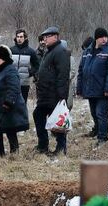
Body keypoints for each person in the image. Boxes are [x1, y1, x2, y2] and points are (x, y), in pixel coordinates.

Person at [77, 27, 108, 145]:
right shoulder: (87, 52)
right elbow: (81, 70)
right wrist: (79, 88)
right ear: (96, 38)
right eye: (101, 37)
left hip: (103, 90)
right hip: (90, 89)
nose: (104, 39)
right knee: (94, 113)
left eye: (106, 37)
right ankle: (97, 131)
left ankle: (102, 138)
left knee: (101, 113)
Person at [33, 26, 70, 156]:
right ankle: (42, 145)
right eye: (43, 37)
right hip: (45, 95)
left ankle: (61, 147)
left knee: (58, 122)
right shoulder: (49, 51)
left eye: (47, 37)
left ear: (55, 36)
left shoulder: (61, 51)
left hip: (54, 95)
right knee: (38, 115)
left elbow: (63, 75)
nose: (44, 40)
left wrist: (61, 96)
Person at [0, 45, 28, 157]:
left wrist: (8, 102)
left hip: (10, 108)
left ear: (4, 59)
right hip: (1, 108)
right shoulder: (0, 71)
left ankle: (14, 153)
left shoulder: (10, 70)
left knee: (9, 130)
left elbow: (14, 88)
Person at [10, 30, 39, 102]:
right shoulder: (11, 50)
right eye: (18, 37)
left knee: (22, 103)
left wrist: (30, 73)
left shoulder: (31, 51)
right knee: (10, 103)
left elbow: (37, 65)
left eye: (21, 37)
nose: (19, 39)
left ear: (25, 38)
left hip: (24, 83)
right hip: (12, 82)